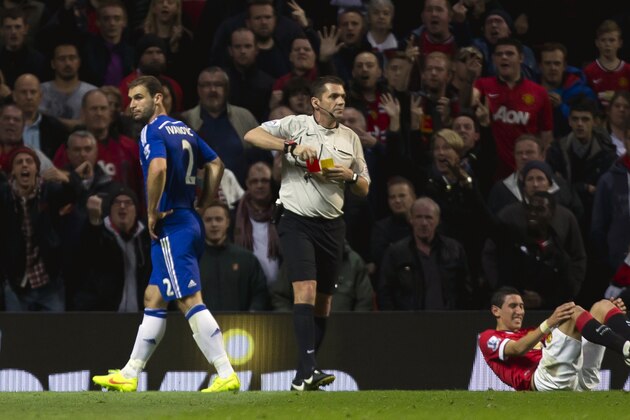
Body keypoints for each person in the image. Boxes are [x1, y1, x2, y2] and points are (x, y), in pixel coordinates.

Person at [92, 75, 240, 393]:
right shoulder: (184, 129)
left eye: (138, 98)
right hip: (188, 220)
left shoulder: (152, 130)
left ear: (157, 98)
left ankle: (226, 371)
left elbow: (157, 168)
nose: (131, 105)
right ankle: (130, 373)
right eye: (130, 99)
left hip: (171, 225)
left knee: (188, 300)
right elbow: (216, 164)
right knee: (154, 296)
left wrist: (152, 211)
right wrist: (204, 202)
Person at [244, 75, 370, 391]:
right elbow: (252, 134)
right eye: (334, 97)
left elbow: (365, 188)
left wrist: (350, 175)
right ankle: (311, 367)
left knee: (324, 302)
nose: (341, 101)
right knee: (306, 289)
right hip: (296, 219)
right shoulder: (296, 125)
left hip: (332, 224)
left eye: (343, 96)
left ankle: (304, 374)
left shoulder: (350, 138)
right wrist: (290, 146)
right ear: (317, 102)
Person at [479, 287, 630, 391]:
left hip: (577, 376)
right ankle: (624, 348)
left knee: (604, 306)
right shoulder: (489, 337)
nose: (519, 311)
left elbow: (579, 332)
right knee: (573, 311)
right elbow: (517, 349)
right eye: (513, 306)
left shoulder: (530, 332)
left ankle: (627, 346)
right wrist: (549, 323)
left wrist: (613, 316)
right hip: (545, 382)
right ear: (496, 310)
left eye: (521, 306)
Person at [474, 37, 553, 178]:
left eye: (510, 54)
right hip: (493, 169)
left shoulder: (539, 92)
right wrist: (470, 78)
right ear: (493, 59)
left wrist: (541, 168)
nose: (504, 57)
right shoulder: (483, 85)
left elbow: (546, 137)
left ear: (521, 58)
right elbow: (467, 101)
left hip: (527, 170)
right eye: (499, 54)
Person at [378, 196, 471, 310]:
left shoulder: (454, 250)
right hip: (409, 323)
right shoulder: (396, 253)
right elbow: (385, 293)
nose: (424, 223)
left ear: (437, 220)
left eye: (429, 218)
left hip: (448, 322)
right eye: (418, 217)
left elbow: (465, 291)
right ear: (411, 219)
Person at [74, 187, 151, 311]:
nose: (122, 206)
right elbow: (86, 252)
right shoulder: (98, 234)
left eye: (128, 203)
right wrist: (93, 222)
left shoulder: (147, 239)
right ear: (109, 210)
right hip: (106, 317)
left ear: (136, 210)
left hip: (142, 316)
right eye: (117, 202)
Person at [199, 201, 269, 311]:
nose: (214, 224)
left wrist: (252, 316)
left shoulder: (246, 258)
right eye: (208, 220)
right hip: (201, 326)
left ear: (227, 222)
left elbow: (260, 294)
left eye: (219, 219)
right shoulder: (192, 261)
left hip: (241, 326)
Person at [538, 42, 596, 138]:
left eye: (557, 63)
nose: (553, 68)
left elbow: (589, 125)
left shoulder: (583, 92)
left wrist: (561, 107)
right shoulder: (528, 90)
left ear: (564, 66)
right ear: (540, 66)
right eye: (548, 63)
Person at [39, 43, 97, 131]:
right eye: (62, 59)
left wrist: (53, 121)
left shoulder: (93, 93)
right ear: (53, 64)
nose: (68, 63)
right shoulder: (38, 91)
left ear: (79, 62)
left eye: (72, 58)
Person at [12, 73, 69, 160]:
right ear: (14, 96)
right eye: (23, 92)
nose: (29, 97)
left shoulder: (56, 128)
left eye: (33, 92)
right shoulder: (5, 127)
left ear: (40, 96)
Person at [583, 20, 630, 107]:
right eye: (603, 40)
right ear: (597, 43)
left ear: (620, 43)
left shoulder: (628, 70)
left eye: (612, 40)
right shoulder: (589, 71)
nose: (607, 44)